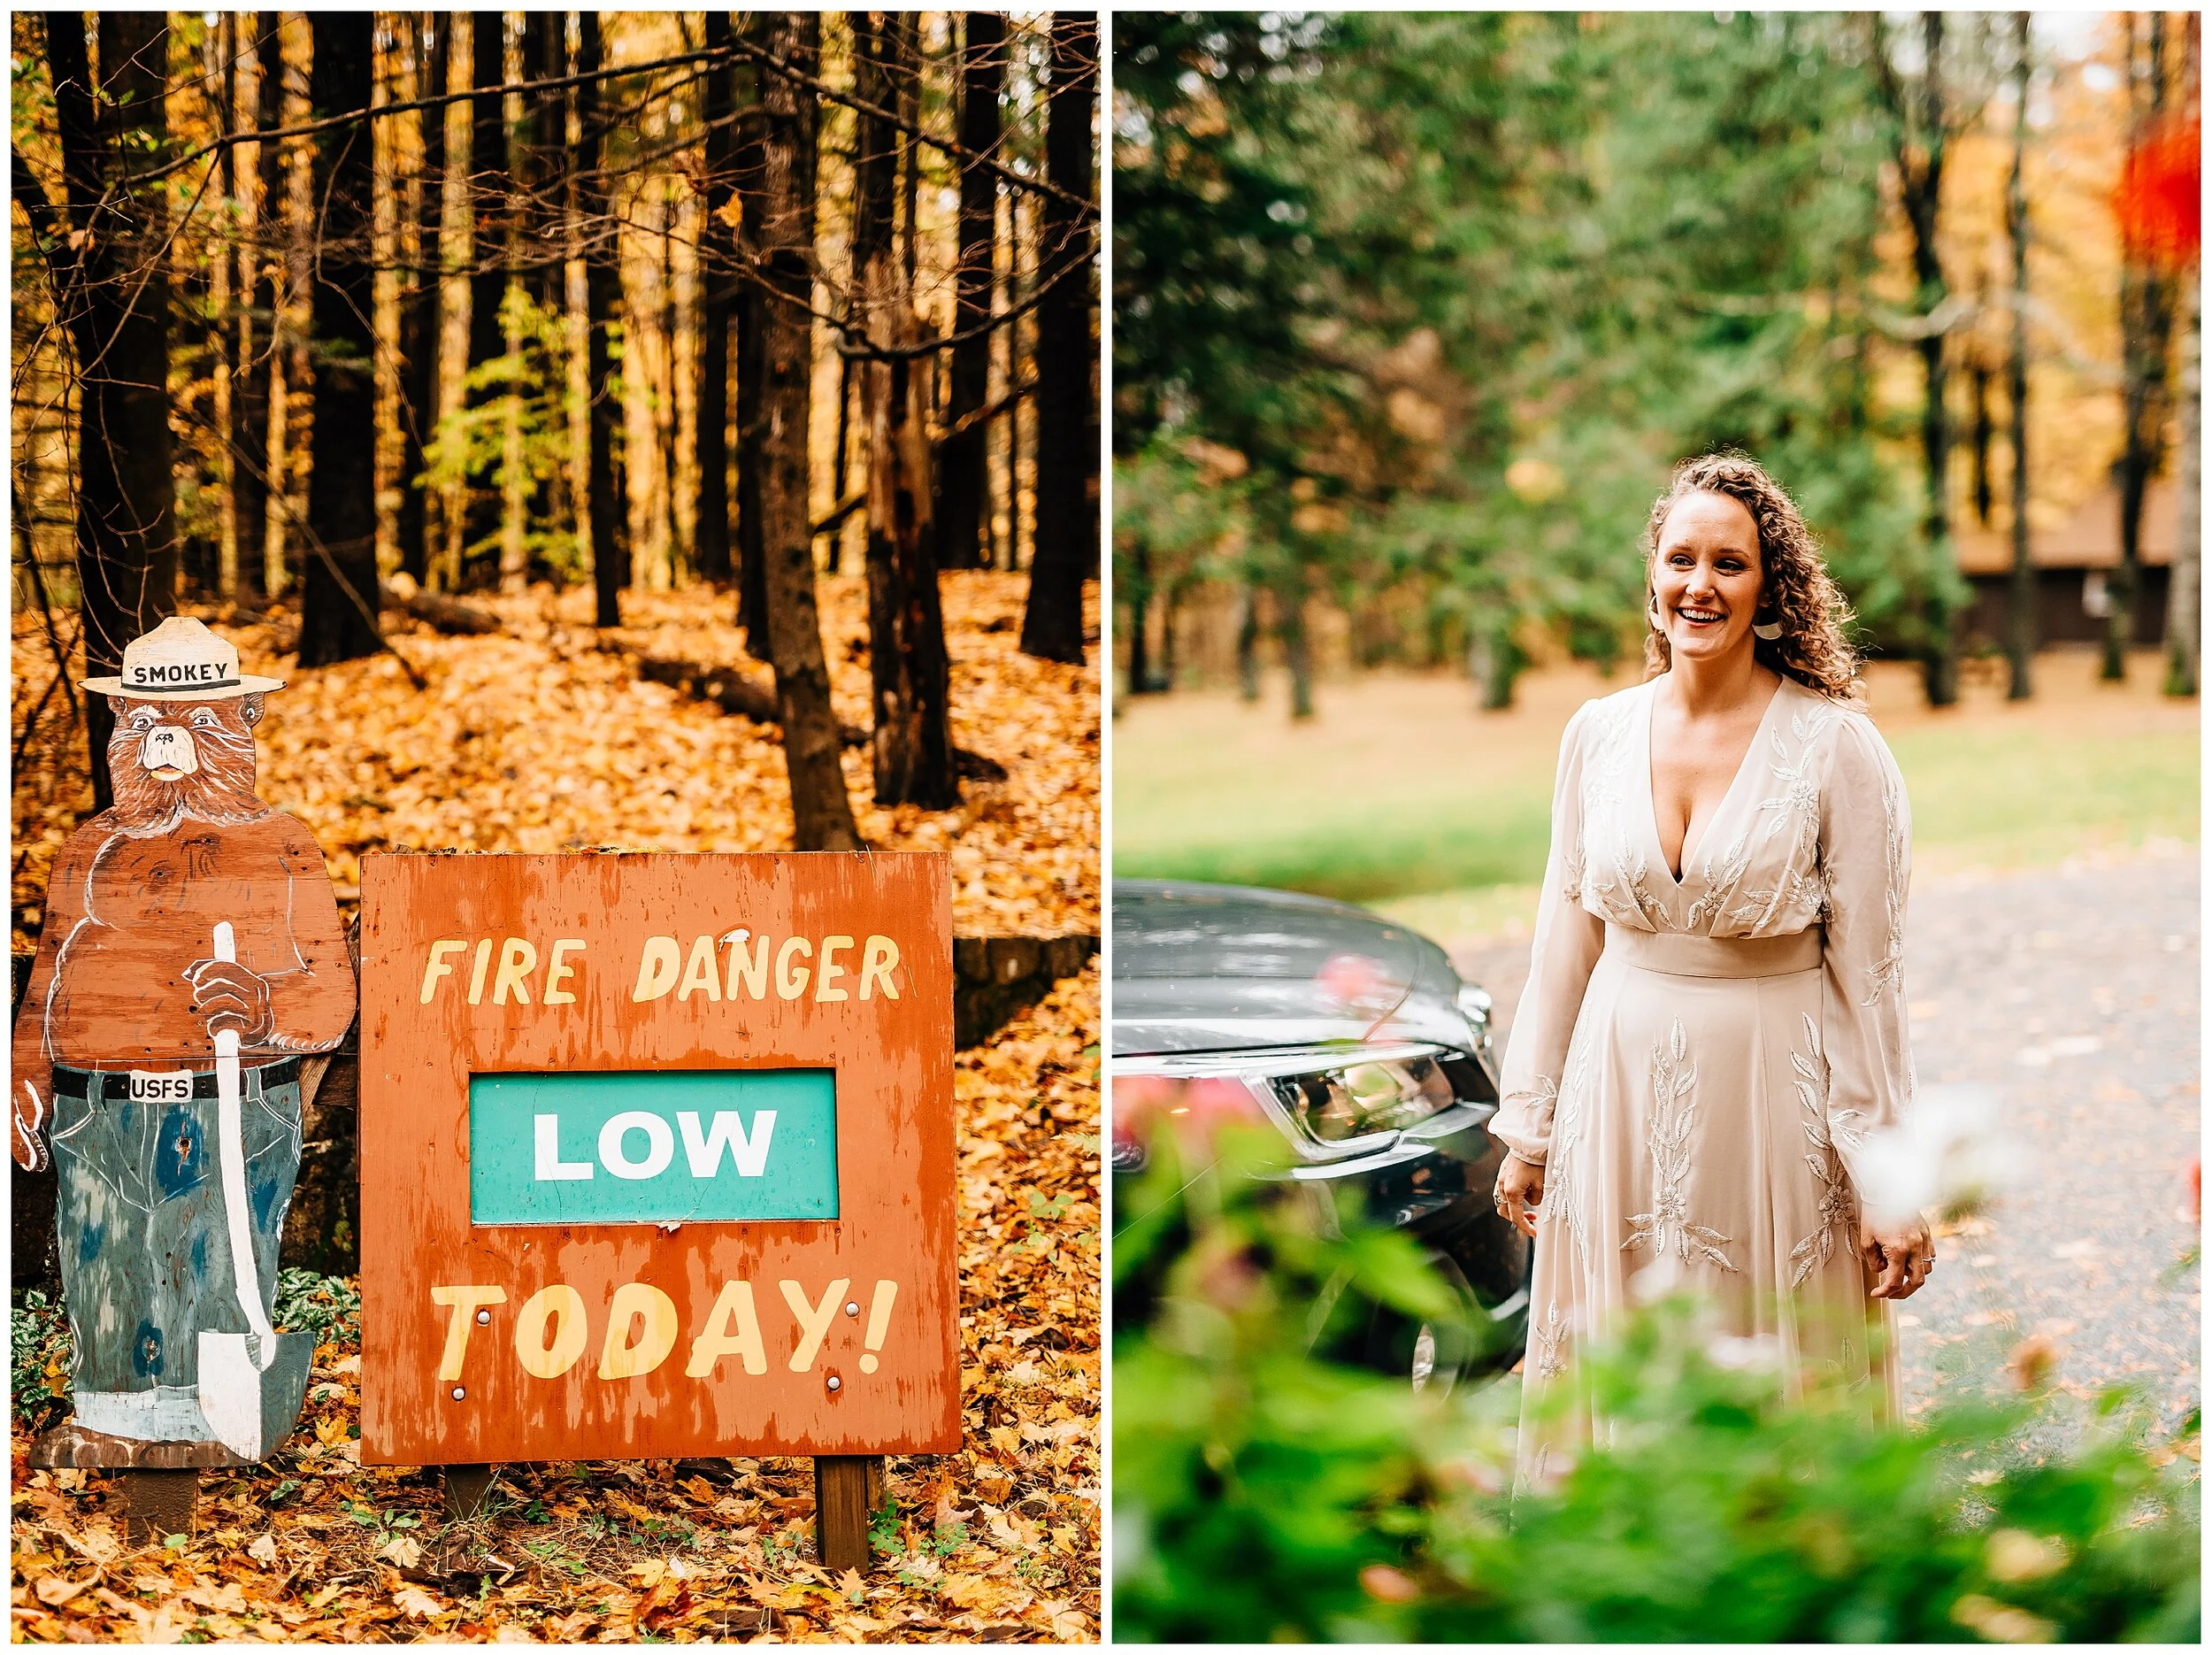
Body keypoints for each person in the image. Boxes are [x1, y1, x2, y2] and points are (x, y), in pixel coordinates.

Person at [1489, 452, 1931, 1489]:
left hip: (1774, 1105)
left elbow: (1869, 978)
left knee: (1770, 1359)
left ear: (1769, 585)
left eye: (1727, 563)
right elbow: (1565, 934)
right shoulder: (1595, 735)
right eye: (1679, 559)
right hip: (1617, 1096)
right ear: (1651, 572)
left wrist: (1887, 1177)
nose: (1700, 585)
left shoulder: (1836, 749)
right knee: (1621, 1355)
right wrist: (1530, 1123)